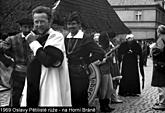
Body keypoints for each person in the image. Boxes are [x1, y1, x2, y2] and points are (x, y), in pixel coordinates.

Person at [21, 6, 71, 107]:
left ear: (50, 21)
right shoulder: (33, 36)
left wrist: (33, 43)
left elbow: (47, 61)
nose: (39, 25)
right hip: (33, 83)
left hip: (49, 83)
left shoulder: (56, 36)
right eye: (36, 22)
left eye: (42, 21)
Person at [65, 11, 105, 107]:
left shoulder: (86, 38)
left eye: (73, 24)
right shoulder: (66, 38)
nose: (71, 26)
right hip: (67, 72)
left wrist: (86, 61)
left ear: (79, 25)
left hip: (80, 73)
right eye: (69, 24)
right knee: (70, 98)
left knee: (80, 99)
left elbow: (100, 53)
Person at [0, 18, 33, 107]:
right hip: (18, 74)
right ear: (20, 28)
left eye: (30, 27)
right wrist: (10, 63)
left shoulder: (37, 38)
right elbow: (1, 51)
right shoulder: (12, 39)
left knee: (31, 97)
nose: (27, 30)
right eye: (25, 27)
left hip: (33, 74)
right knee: (15, 97)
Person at [98, 32, 115, 112]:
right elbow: (98, 61)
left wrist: (110, 57)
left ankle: (106, 104)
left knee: (110, 89)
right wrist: (106, 59)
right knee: (104, 89)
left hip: (107, 69)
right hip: (103, 70)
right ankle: (103, 106)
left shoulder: (107, 48)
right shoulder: (99, 48)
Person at [151, 25, 165, 110]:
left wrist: (153, 49)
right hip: (163, 63)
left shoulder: (161, 39)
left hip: (161, 64)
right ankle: (162, 101)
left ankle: (162, 103)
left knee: (161, 84)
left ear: (159, 31)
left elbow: (158, 51)